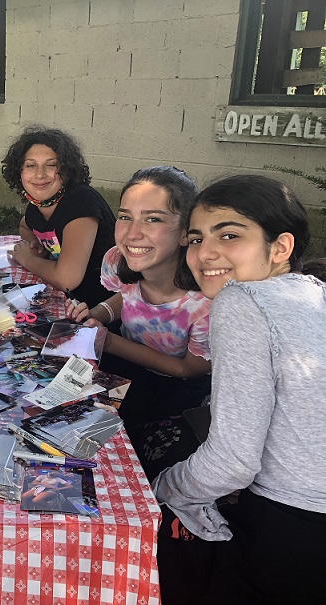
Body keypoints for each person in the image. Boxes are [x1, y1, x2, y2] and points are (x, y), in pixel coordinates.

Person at [151, 175, 326, 605]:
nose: (204, 253)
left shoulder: (242, 301)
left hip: (292, 527)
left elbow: (232, 462)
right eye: (195, 238)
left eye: (229, 235)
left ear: (280, 248)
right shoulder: (314, 292)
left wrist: (159, 489)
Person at [67, 167, 212, 477]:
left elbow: (189, 370)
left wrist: (110, 340)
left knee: (102, 449)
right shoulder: (121, 261)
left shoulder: (206, 305)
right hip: (122, 364)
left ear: (187, 231)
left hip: (172, 390)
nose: (132, 233)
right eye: (125, 217)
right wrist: (98, 314)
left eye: (153, 219)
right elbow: (126, 296)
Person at [1, 126, 116, 307]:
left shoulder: (81, 202)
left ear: (67, 170)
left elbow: (67, 279)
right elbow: (24, 226)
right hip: (68, 303)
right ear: (19, 172)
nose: (40, 174)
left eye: (51, 165)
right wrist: (38, 246)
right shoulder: (36, 207)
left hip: (103, 311)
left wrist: (29, 259)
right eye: (31, 165)